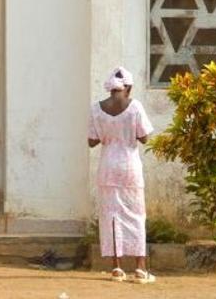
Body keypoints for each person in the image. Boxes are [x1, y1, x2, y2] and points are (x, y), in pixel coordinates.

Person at [88, 67, 155, 284]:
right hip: (129, 167)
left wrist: (109, 132)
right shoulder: (134, 107)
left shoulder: (97, 109)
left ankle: (116, 268)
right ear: (128, 87)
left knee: (111, 217)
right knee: (136, 215)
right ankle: (140, 269)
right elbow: (144, 138)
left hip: (107, 167)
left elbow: (91, 141)